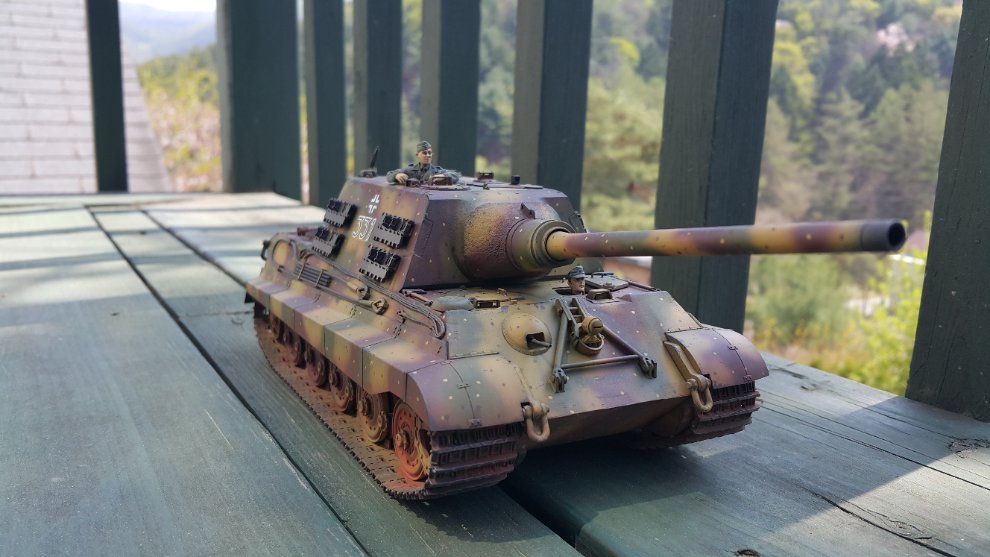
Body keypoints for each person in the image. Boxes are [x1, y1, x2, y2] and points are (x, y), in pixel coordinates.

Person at [386, 141, 461, 185]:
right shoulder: (410, 170)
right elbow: (389, 175)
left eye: (429, 153)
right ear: (417, 155)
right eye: (424, 153)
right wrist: (396, 175)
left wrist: (443, 176)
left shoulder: (436, 171)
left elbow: (456, 174)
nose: (428, 155)